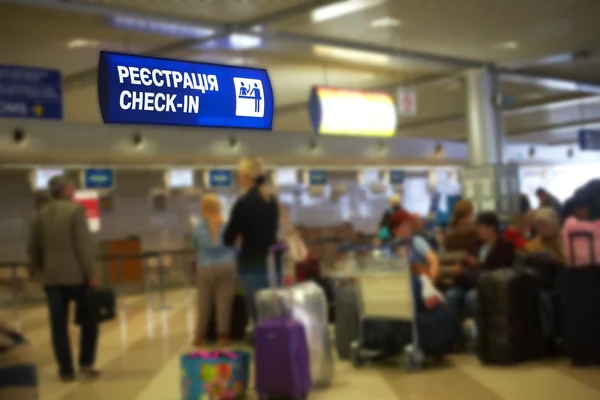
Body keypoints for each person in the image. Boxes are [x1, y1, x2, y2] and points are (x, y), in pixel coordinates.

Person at [26, 176, 99, 382]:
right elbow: (83, 246)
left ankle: (65, 370)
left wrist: (38, 273)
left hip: (52, 280)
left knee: (58, 326)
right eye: (72, 187)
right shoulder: (76, 210)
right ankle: (86, 364)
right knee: (89, 322)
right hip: (77, 278)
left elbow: (33, 249)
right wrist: (91, 273)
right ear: (66, 191)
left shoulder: (39, 215)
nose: (74, 190)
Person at [223, 157, 278, 324]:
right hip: (273, 264)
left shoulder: (243, 202)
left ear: (245, 176)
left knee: (258, 315)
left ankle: (262, 346)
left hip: (251, 264)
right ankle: (275, 346)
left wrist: (240, 238)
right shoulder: (271, 200)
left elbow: (228, 237)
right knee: (272, 312)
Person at [446, 211, 515, 320]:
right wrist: (461, 265)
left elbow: (501, 270)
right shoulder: (477, 244)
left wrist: (479, 264)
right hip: (472, 281)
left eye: (480, 227)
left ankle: (479, 331)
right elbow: (467, 259)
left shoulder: (505, 246)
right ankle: (455, 332)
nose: (477, 230)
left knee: (472, 297)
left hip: (491, 284)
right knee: (451, 295)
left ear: (491, 228)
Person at [191, 194, 237, 347]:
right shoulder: (227, 225)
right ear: (219, 207)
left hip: (204, 267)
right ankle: (223, 336)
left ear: (202, 208)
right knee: (224, 302)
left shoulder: (197, 226)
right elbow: (236, 246)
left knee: (204, 302)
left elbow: (195, 247)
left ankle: (200, 336)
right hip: (226, 265)